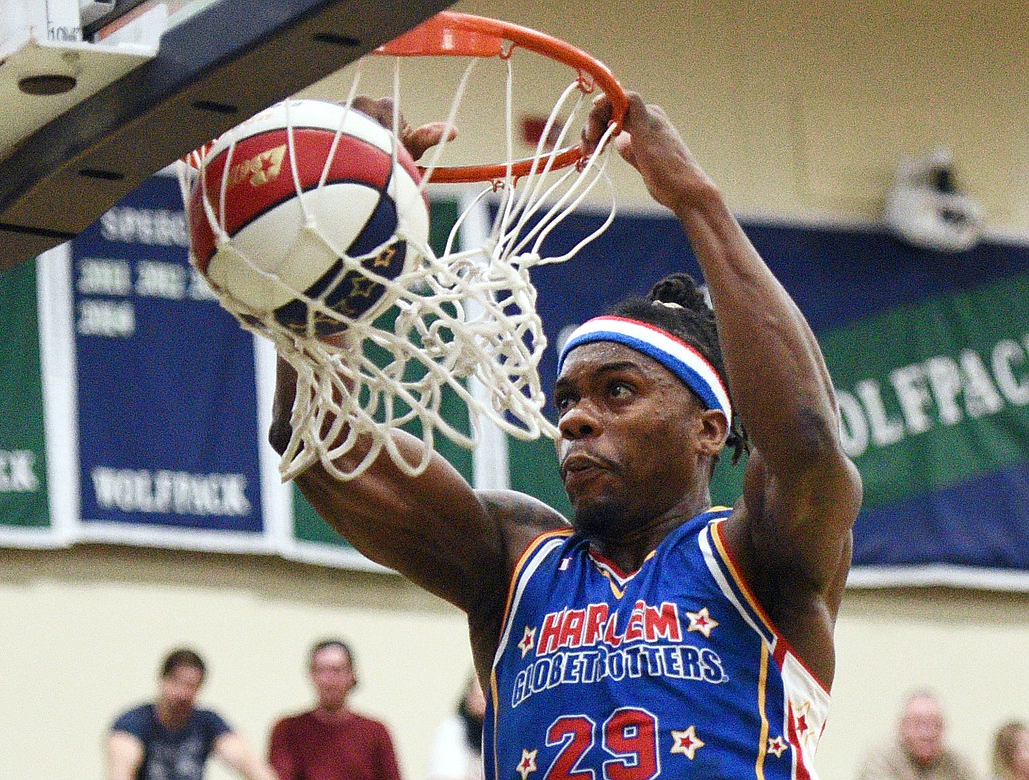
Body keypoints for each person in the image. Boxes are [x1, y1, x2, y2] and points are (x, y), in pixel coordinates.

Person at [270, 92, 862, 777]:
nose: (576, 418)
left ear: (708, 428)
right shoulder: (514, 561)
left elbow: (810, 443)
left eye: (618, 392)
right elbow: (317, 444)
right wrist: (337, 242)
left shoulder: (762, 554)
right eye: (568, 398)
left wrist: (698, 201)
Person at [106, 647, 276, 780]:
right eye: (177, 682)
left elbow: (245, 760)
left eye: (191, 686)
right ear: (162, 680)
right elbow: (121, 768)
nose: (182, 694)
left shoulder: (206, 723)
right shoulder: (134, 723)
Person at [268, 638, 402, 780]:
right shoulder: (287, 730)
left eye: (336, 670)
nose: (329, 679)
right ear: (311, 675)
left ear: (351, 675)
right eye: (321, 670)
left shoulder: (375, 733)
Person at [856, 691, 977, 780]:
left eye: (935, 724)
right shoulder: (881, 759)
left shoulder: (957, 763)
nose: (927, 734)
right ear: (901, 727)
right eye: (918, 724)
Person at [428, 675, 484, 780]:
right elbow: (443, 776)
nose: (480, 698)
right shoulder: (453, 728)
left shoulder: (504, 731)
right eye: (476, 693)